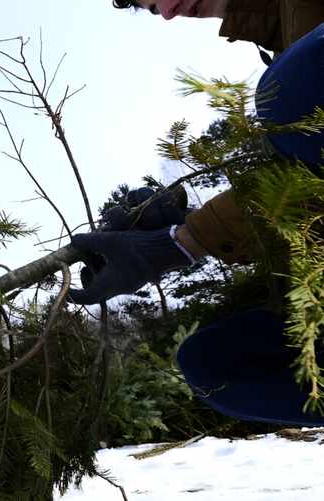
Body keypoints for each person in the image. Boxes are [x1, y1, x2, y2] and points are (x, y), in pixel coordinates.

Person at [67, 1, 324, 426]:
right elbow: (306, 188)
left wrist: (188, 240)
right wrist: (176, 234)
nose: (167, 11)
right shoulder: (284, 39)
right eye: (150, 10)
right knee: (214, 365)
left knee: (291, 95)